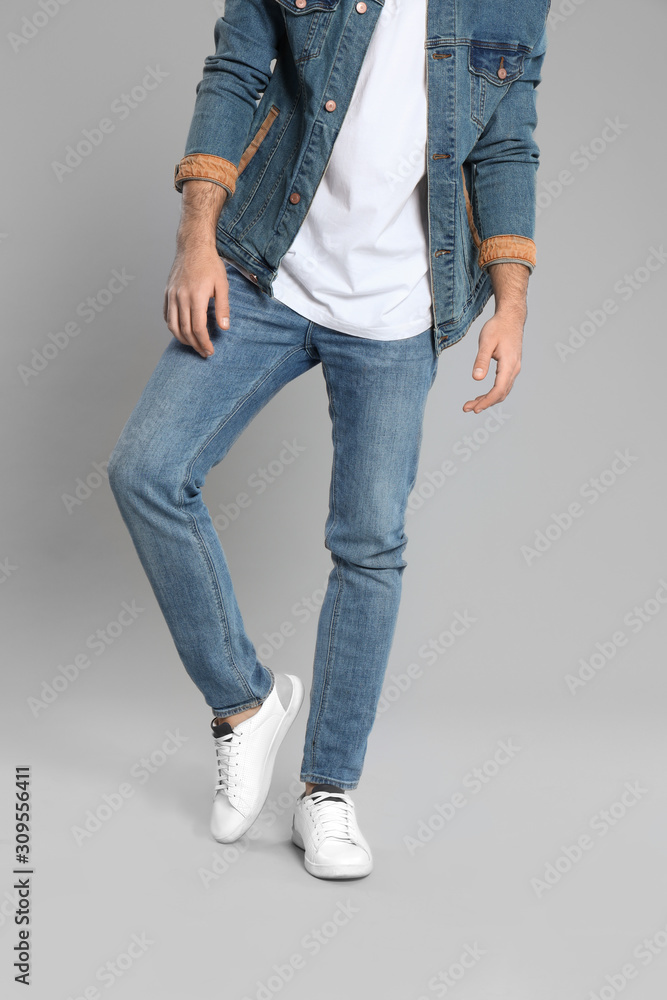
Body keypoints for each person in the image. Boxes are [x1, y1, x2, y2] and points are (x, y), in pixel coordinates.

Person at [108, 0, 550, 880]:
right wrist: (196, 238)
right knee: (147, 470)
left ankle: (327, 790)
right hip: (265, 269)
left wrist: (512, 301)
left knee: (368, 544)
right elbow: (235, 70)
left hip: (398, 311)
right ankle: (244, 705)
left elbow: (505, 143)